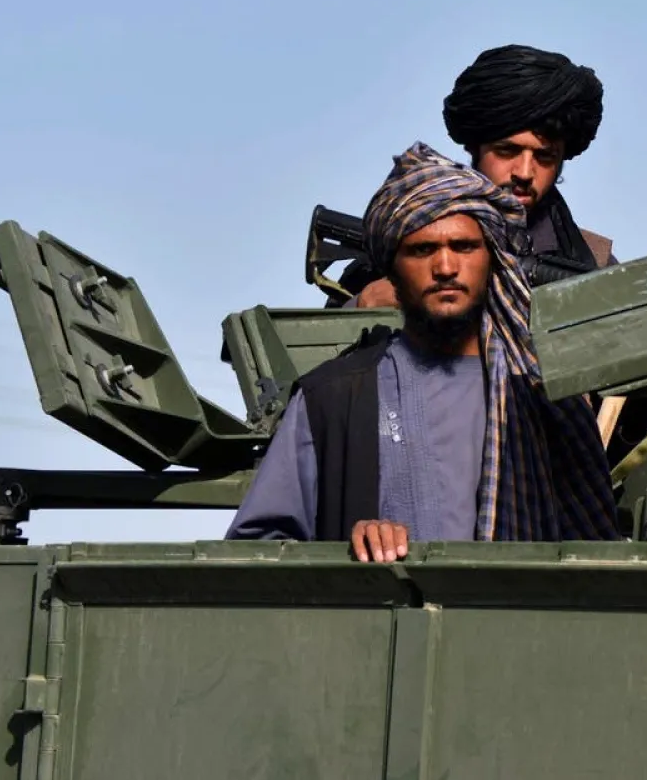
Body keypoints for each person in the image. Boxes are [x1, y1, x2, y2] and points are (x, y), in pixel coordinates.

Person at [229, 141, 619, 558]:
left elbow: (597, 561)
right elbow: (255, 553)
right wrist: (346, 547)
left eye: (464, 247)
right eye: (422, 250)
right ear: (391, 270)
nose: (446, 267)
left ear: (493, 258)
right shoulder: (332, 398)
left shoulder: (546, 397)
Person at [345, 44, 614, 308]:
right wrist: (367, 304)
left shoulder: (594, 264)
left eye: (544, 157)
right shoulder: (405, 245)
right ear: (474, 147)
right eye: (507, 151)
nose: (524, 172)